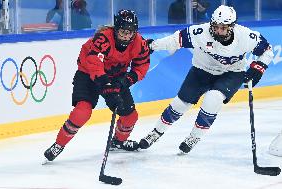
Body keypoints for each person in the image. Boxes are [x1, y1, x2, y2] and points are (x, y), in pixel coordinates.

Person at [139, 5, 274, 154]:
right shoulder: (200, 32)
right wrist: (152, 46)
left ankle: (194, 136)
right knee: (180, 104)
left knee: (213, 98)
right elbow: (175, 40)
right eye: (215, 26)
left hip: (232, 73)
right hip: (202, 70)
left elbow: (267, 51)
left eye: (223, 28)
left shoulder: (247, 37)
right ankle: (156, 132)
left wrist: (258, 68)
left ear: (232, 27)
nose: (218, 31)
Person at [43, 9, 150, 162]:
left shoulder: (140, 43)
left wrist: (126, 81)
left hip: (116, 76)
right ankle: (59, 144)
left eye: (130, 32)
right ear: (115, 29)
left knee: (130, 116)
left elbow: (141, 66)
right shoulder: (103, 38)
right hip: (88, 74)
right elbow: (94, 62)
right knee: (82, 112)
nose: (127, 36)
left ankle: (117, 142)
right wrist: (106, 85)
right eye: (123, 32)